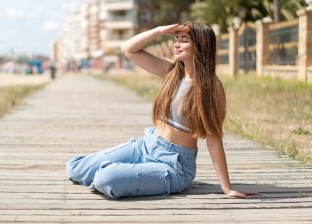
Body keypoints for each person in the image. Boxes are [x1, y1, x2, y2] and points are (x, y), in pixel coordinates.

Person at [66, 22, 257, 199]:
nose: (177, 44)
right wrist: (158, 31)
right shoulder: (172, 72)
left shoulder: (211, 87)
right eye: (176, 39)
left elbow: (213, 139)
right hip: (145, 146)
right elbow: (129, 49)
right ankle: (135, 171)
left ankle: (130, 172)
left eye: (184, 40)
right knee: (75, 169)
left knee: (105, 179)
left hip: (174, 164)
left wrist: (227, 187)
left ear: (200, 46)